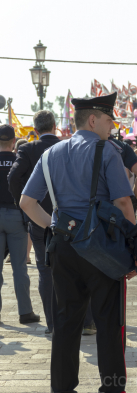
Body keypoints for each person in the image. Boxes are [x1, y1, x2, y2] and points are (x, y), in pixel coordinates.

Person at [19, 93, 136, 393]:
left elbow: (27, 201)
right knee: (108, 322)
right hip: (101, 247)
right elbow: (123, 201)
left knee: (66, 322)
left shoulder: (51, 154)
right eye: (109, 120)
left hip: (63, 247)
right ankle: (111, 387)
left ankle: (62, 387)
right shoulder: (107, 150)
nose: (112, 126)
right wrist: (135, 246)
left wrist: (56, 227)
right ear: (94, 120)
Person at [8, 111, 60, 335]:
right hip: (67, 217)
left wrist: (24, 202)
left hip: (37, 216)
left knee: (45, 269)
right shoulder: (67, 147)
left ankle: (52, 322)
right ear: (55, 126)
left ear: (35, 129)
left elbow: (13, 178)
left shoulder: (28, 149)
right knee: (76, 270)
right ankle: (84, 322)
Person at [0, 125, 40, 324]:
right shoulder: (19, 160)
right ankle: (25, 312)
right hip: (16, 215)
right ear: (14, 142)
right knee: (19, 267)